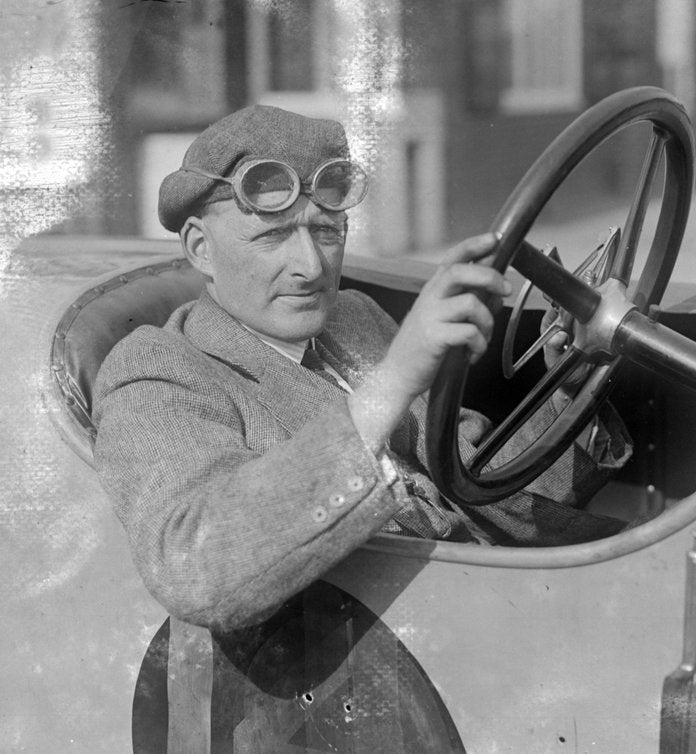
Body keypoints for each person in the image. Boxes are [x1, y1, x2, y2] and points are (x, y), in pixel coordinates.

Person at [93, 105, 631, 634]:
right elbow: (195, 569)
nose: (310, 267)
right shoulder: (159, 370)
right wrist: (393, 382)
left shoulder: (354, 318)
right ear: (200, 248)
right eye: (272, 236)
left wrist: (572, 382)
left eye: (325, 232)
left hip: (505, 608)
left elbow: (480, 482)